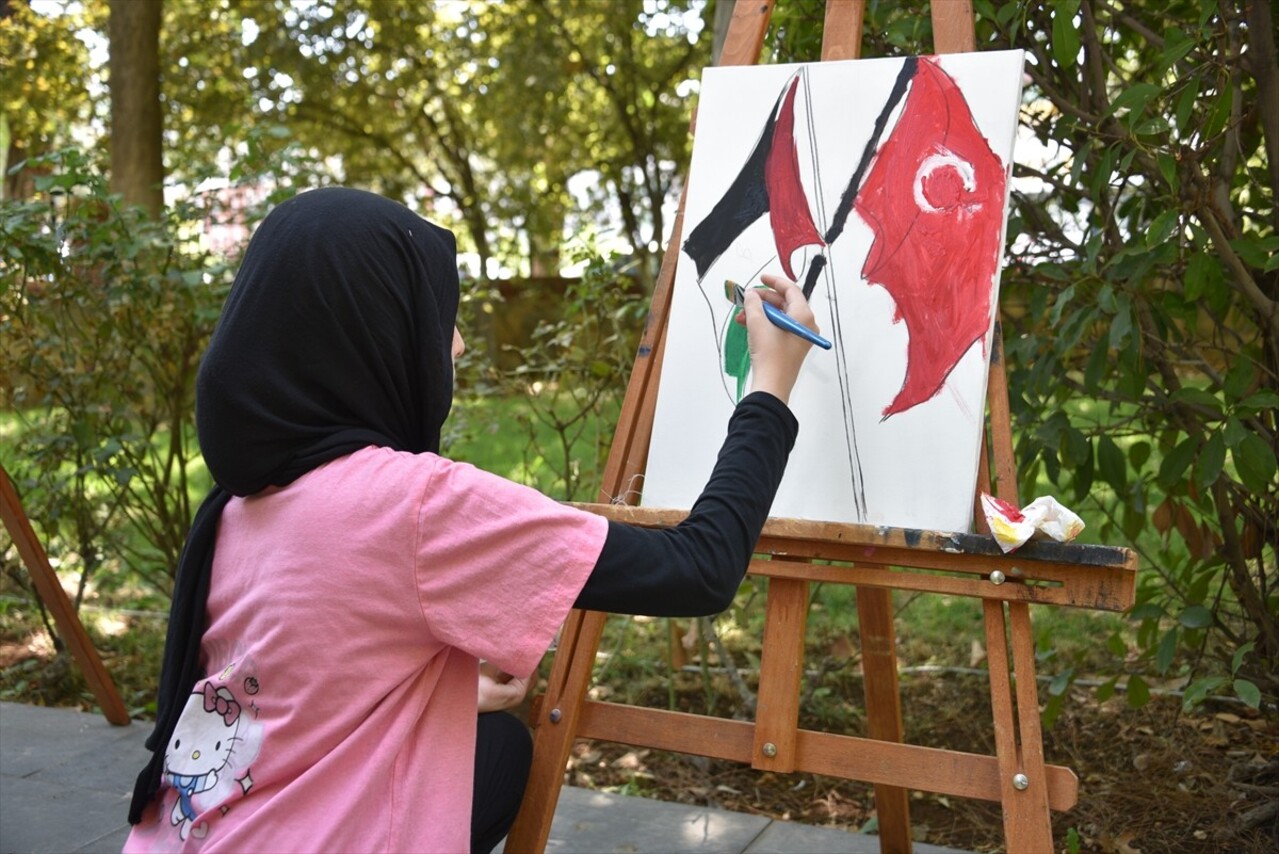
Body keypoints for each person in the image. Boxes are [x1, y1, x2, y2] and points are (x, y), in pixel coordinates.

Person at [124, 187, 818, 853]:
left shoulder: (243, 500)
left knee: (496, 745)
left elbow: (286, 684)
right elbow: (697, 571)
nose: (454, 344)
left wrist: (434, 692)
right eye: (432, 314)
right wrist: (769, 388)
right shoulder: (415, 504)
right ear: (370, 331)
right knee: (502, 752)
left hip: (189, 835)